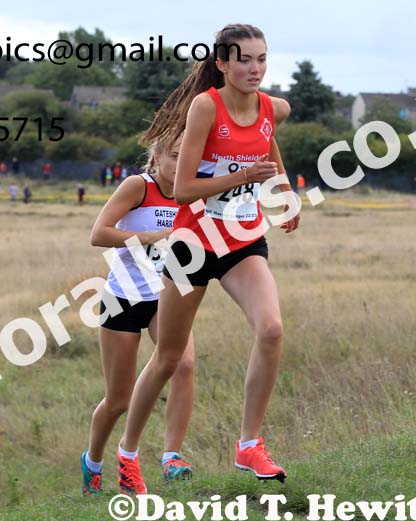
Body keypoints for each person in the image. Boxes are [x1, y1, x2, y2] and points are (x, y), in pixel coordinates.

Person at [116, 23, 299, 495]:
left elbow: (269, 139)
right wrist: (245, 176)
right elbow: (181, 190)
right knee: (169, 358)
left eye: (262, 59)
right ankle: (128, 454)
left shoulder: (271, 108)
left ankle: (248, 444)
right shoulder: (205, 107)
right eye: (244, 60)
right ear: (222, 63)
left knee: (272, 328)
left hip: (241, 239)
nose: (255, 69)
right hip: (192, 243)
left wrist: (282, 190)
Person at [82, 135, 195, 496]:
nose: (181, 163)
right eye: (175, 155)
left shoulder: (192, 191)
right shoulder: (138, 186)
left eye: (188, 155)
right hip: (124, 299)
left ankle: (171, 457)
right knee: (118, 401)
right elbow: (99, 234)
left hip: (168, 295)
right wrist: (151, 237)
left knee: (185, 364)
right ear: (157, 156)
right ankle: (93, 463)